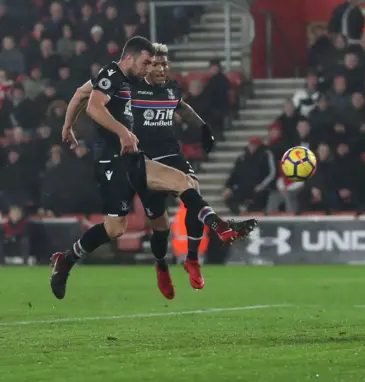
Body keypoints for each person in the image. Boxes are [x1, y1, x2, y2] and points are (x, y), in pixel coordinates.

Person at [51, 36, 256, 300]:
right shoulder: (112, 74)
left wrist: (67, 125)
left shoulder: (134, 81)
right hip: (112, 162)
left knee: (184, 182)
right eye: (146, 63)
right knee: (115, 229)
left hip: (133, 159)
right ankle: (66, 260)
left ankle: (219, 227)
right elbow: (93, 106)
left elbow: (80, 93)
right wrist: (122, 131)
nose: (150, 69)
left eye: (153, 64)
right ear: (129, 58)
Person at [128, 43, 217, 297]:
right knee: (160, 225)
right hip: (145, 161)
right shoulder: (132, 89)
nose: (161, 68)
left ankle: (192, 259)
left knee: (193, 191)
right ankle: (161, 266)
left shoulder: (171, 88)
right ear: (146, 65)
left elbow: (182, 107)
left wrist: (203, 127)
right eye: (155, 64)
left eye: (164, 64)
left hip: (172, 155)